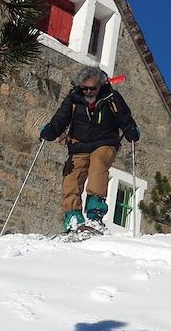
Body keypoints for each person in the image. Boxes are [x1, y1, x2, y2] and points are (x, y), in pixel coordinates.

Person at [39, 66, 140, 233]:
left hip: (105, 142)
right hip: (79, 145)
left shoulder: (111, 97)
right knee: (71, 176)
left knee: (98, 163)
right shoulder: (73, 98)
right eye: (85, 88)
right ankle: (73, 216)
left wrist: (130, 130)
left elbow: (124, 117)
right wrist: (51, 130)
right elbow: (61, 118)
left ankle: (95, 212)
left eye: (92, 88)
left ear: (100, 85)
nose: (88, 92)